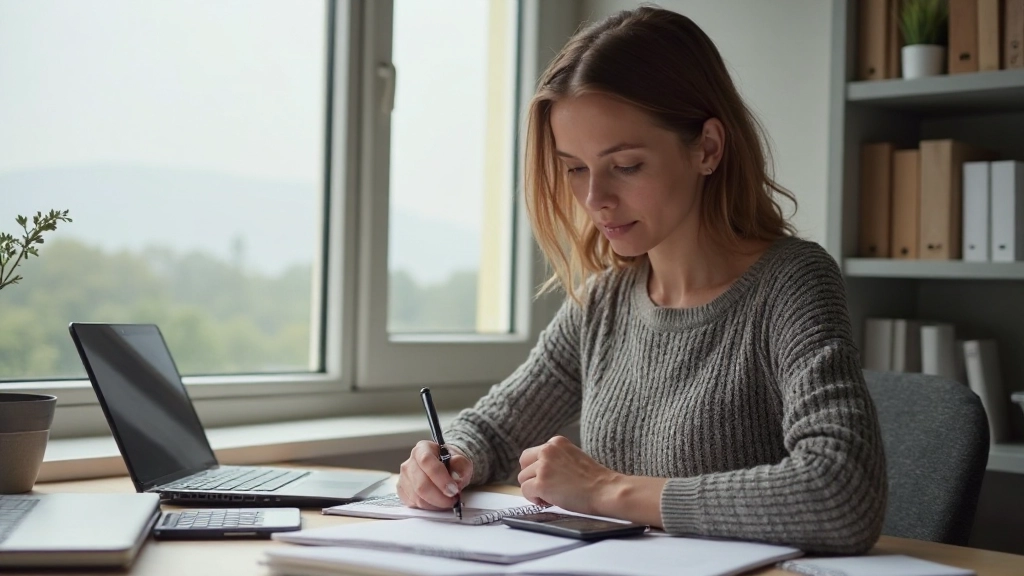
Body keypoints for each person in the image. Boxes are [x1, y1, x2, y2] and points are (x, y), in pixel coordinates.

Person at [396, 5, 886, 555]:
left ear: (707, 148)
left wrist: (607, 489)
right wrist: (443, 460)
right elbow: (493, 427)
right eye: (575, 167)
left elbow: (842, 494)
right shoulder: (606, 298)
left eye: (625, 166)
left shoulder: (792, 283)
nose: (593, 199)